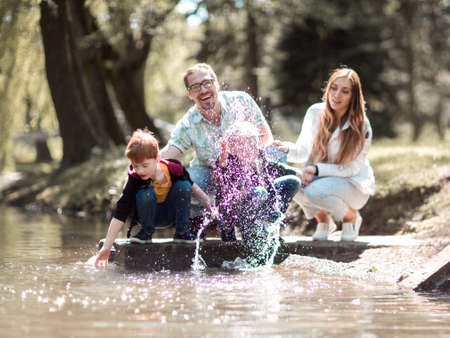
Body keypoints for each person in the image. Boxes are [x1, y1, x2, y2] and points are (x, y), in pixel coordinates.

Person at [274, 67, 375, 242]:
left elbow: (349, 169)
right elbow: (302, 150)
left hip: (353, 185)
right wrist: (286, 148)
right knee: (292, 183)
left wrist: (316, 169)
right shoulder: (315, 112)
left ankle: (350, 217)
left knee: (314, 190)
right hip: (321, 178)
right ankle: (325, 222)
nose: (337, 95)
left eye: (345, 91)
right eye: (334, 88)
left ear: (353, 96)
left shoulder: (362, 126)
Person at [159, 63, 277, 204]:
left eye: (207, 83)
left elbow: (266, 137)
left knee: (278, 155)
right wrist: (139, 168)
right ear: (189, 94)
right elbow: (168, 154)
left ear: (217, 84)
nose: (203, 90)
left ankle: (265, 205)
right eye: (195, 87)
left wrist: (247, 159)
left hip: (248, 167)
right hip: (210, 174)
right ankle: (204, 213)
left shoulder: (241, 101)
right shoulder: (188, 123)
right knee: (185, 183)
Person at [95, 129, 211, 268]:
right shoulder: (134, 179)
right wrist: (107, 247)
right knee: (146, 193)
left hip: (168, 215)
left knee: (183, 185)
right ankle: (145, 233)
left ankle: (182, 233)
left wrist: (207, 201)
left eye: (145, 166)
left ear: (157, 159)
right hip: (147, 215)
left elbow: (192, 186)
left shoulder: (173, 169)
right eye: (136, 166)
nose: (140, 171)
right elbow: (120, 213)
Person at [213, 121, 302, 247]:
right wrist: (222, 163)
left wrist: (295, 172)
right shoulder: (228, 161)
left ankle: (269, 225)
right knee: (259, 192)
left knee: (292, 182)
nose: (251, 149)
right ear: (232, 147)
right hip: (236, 212)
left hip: (258, 204)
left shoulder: (258, 156)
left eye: (254, 144)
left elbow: (272, 171)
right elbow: (221, 175)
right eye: (245, 145)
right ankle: (250, 234)